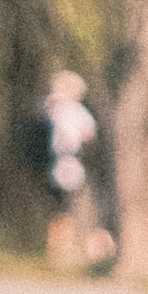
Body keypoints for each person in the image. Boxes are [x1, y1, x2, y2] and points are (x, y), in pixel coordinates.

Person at [39, 64, 108, 272]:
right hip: (72, 163)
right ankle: (69, 250)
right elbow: (88, 134)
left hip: (63, 162)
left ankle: (64, 249)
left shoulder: (54, 108)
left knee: (64, 209)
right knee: (73, 208)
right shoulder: (71, 110)